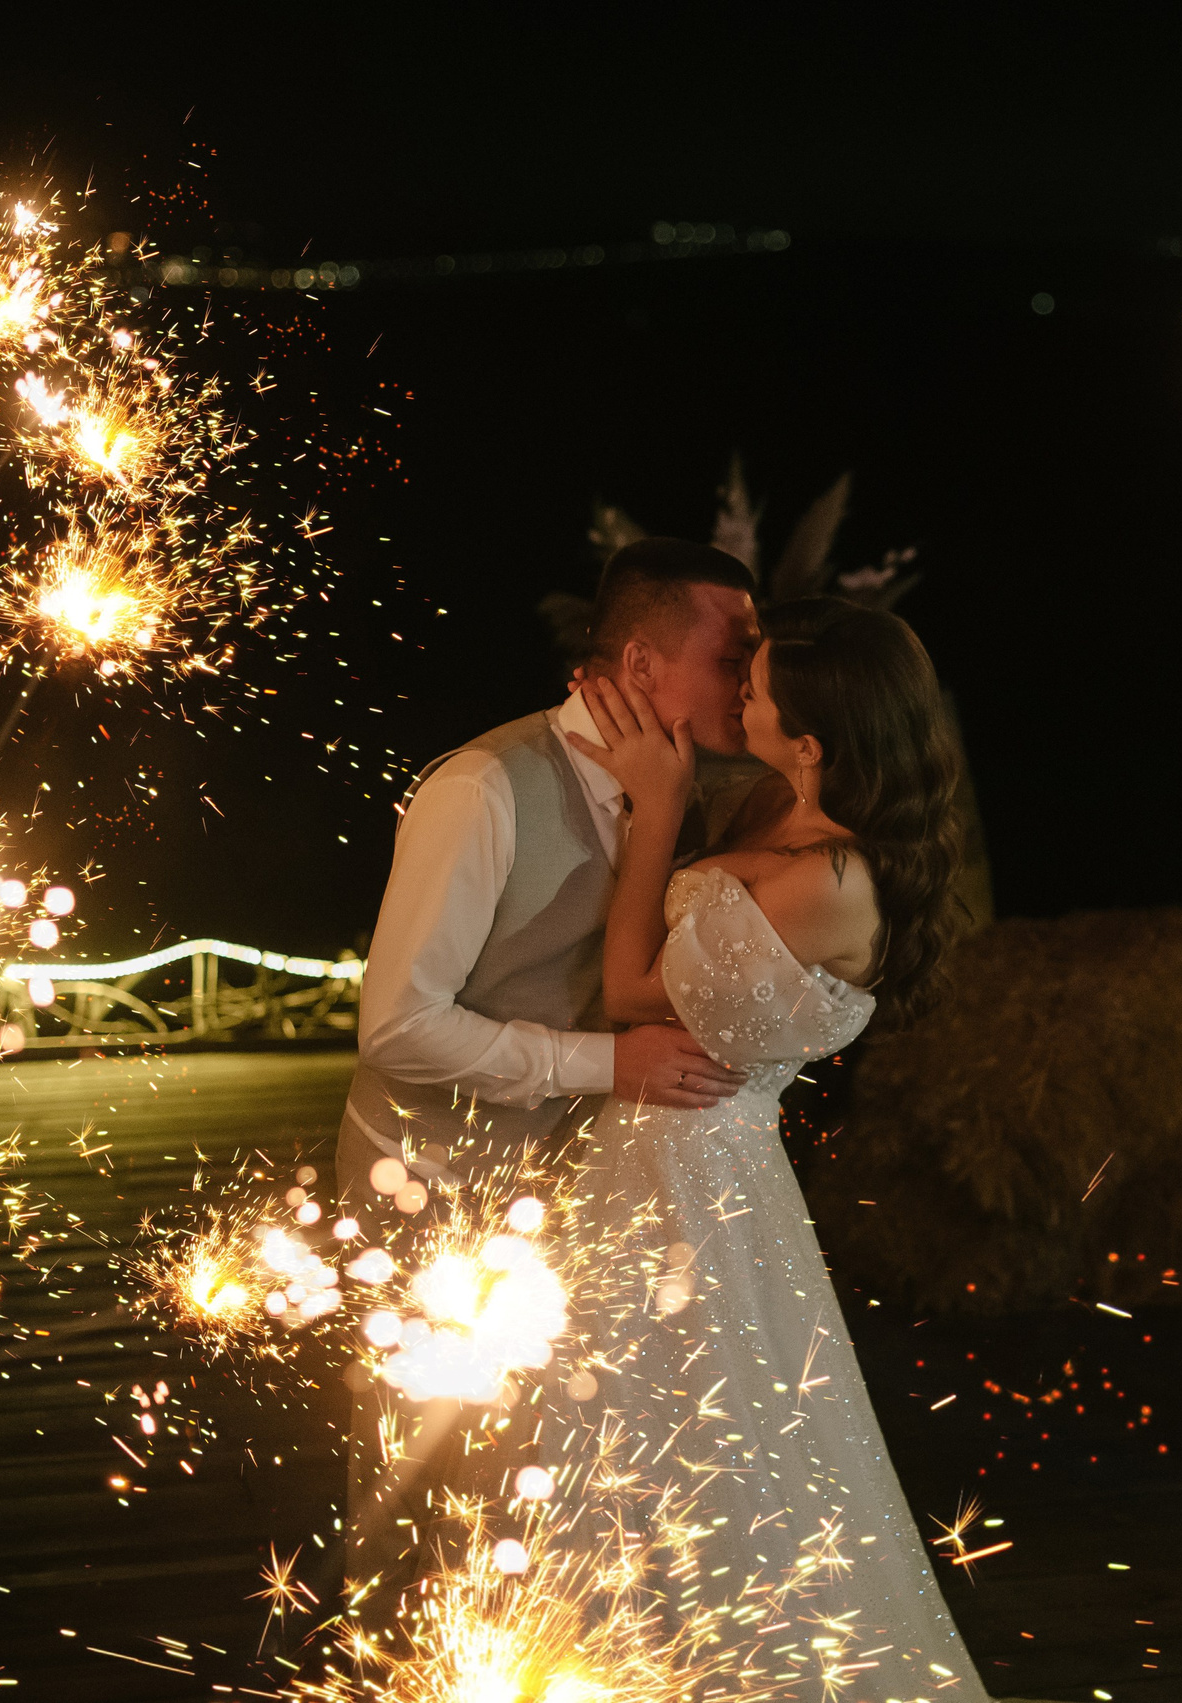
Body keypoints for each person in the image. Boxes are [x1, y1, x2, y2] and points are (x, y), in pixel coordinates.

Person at [559, 597, 982, 1696]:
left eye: (756, 685)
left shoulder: (831, 879)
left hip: (696, 1167)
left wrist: (655, 811)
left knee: (707, 1435)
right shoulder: (776, 809)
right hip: (666, 1149)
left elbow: (625, 993)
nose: (738, 685)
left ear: (809, 740)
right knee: (615, 1425)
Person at [336, 537, 760, 1583]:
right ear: (642, 666)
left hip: (582, 1195)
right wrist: (603, 1066)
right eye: (731, 654)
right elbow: (395, 1023)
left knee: (540, 1485)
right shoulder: (483, 787)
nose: (750, 679)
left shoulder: (700, 793)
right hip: (427, 1184)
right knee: (419, 1474)